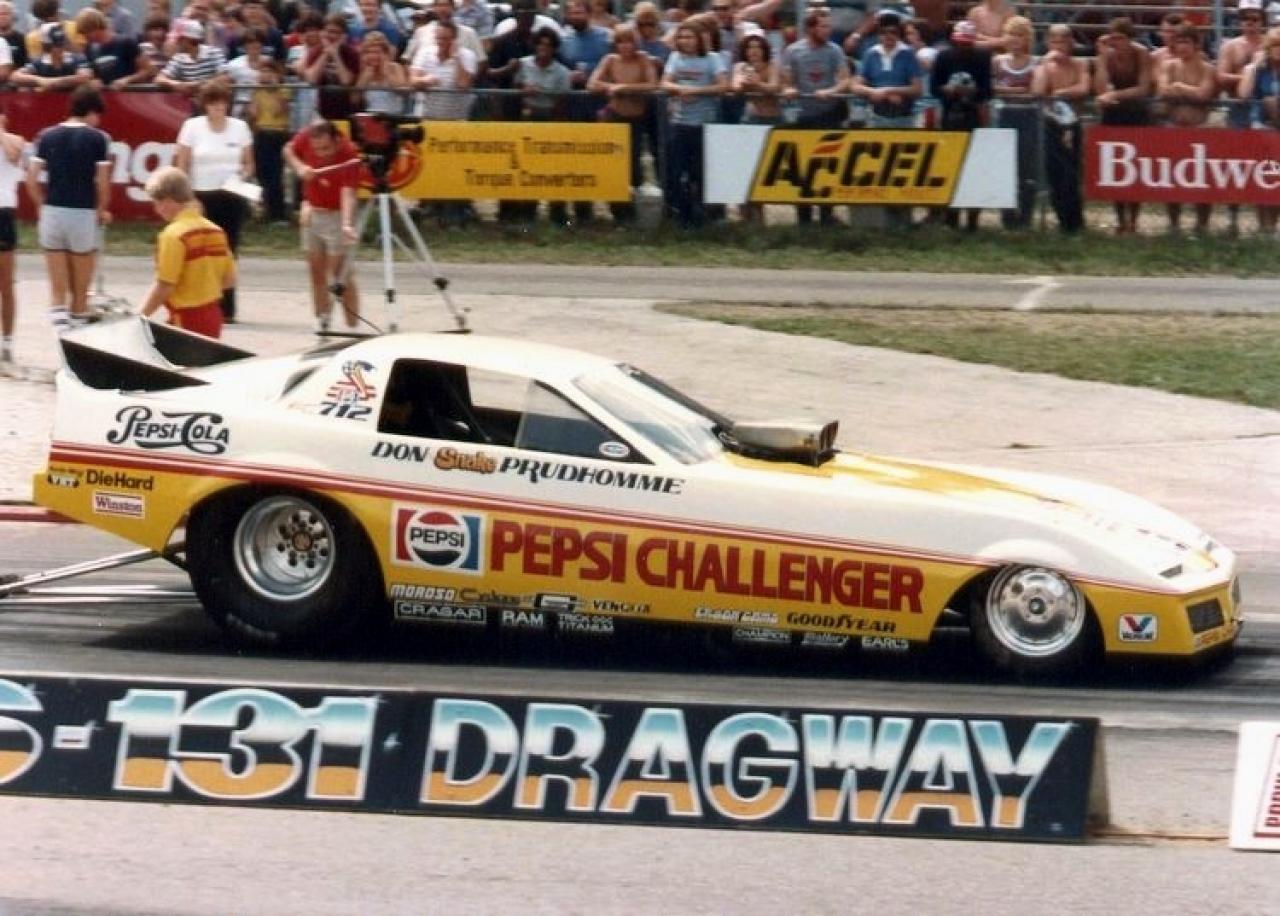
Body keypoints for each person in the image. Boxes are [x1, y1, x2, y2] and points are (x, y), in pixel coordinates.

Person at [25, 85, 111, 331]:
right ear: (91, 112)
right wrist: (101, 209)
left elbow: (31, 179)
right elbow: (102, 182)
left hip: (53, 211)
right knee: (80, 294)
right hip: (82, 213)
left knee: (57, 291)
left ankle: (60, 333)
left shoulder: (46, 136)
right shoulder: (98, 138)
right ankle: (77, 330)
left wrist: (41, 206)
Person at [175, 81, 253, 323]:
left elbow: (249, 164)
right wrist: (187, 196)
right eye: (213, 103)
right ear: (205, 105)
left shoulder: (240, 127)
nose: (218, 108)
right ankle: (202, 303)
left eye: (222, 103)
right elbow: (182, 163)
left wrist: (242, 176)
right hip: (201, 195)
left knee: (228, 250)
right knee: (202, 250)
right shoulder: (192, 127)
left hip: (231, 194)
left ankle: (227, 307)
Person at [138, 166, 235, 340]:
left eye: (156, 203)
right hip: (213, 314)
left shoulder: (173, 235)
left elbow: (165, 285)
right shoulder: (216, 231)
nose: (156, 209)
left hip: (186, 317)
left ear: (168, 201)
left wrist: (140, 315)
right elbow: (229, 280)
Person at [283, 120, 361, 332]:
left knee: (339, 272)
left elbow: (348, 192)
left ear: (336, 140)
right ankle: (322, 319)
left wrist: (347, 223)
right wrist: (299, 167)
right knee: (315, 269)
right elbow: (288, 150)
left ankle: (353, 324)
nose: (321, 154)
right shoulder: (306, 135)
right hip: (313, 209)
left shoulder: (349, 153)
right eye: (316, 149)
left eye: (326, 148)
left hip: (337, 214)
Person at [781, 8, 848, 226]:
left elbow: (844, 80)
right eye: (823, 26)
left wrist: (831, 91)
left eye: (829, 26)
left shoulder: (834, 50)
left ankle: (827, 214)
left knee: (827, 166)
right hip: (803, 116)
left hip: (828, 114)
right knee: (802, 167)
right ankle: (804, 217)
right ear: (810, 28)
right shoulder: (793, 51)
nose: (828, 30)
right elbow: (786, 80)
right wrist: (789, 89)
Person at [589, 24, 659, 224]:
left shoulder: (643, 59)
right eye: (620, 42)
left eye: (629, 41)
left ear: (635, 43)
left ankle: (635, 210)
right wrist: (611, 87)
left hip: (637, 119)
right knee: (615, 164)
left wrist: (625, 88)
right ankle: (617, 211)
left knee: (635, 164)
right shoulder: (610, 60)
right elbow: (592, 83)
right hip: (615, 117)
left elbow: (653, 84)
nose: (625, 46)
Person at [661, 22, 727, 229]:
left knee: (701, 173)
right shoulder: (675, 58)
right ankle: (683, 216)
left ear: (699, 39)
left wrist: (696, 91)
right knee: (676, 172)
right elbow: (665, 83)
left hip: (704, 124)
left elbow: (723, 85)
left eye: (689, 37)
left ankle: (706, 217)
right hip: (679, 123)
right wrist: (680, 89)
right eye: (682, 37)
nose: (685, 41)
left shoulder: (712, 59)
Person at [1156, 23, 1216, 234]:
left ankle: (1202, 225)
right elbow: (1163, 91)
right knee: (1172, 179)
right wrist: (1190, 93)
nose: (1182, 46)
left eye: (1186, 42)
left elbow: (1204, 94)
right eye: (1179, 42)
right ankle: (1174, 224)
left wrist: (1179, 87)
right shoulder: (1169, 66)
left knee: (1203, 179)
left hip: (1200, 129)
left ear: (1196, 44)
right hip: (1174, 128)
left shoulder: (1207, 68)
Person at [931, 20, 991, 230]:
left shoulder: (982, 57)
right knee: (950, 168)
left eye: (966, 44)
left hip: (973, 116)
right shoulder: (943, 57)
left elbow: (988, 90)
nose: (962, 48)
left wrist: (972, 93)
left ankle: (973, 220)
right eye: (959, 43)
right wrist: (946, 90)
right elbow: (934, 88)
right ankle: (951, 218)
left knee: (974, 169)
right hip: (949, 116)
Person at [1093, 17, 1150, 236]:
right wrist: (1101, 58)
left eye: (1121, 38)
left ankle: (1133, 220)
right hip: (1113, 113)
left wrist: (1115, 94)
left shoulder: (1141, 53)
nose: (1116, 43)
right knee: (1114, 167)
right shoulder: (1108, 56)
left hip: (1136, 112)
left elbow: (1143, 88)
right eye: (1113, 38)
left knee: (1135, 167)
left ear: (1130, 38)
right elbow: (1100, 88)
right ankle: (1119, 219)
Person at [1031, 24, 1088, 235]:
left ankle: (1076, 222)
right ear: (1048, 43)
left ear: (1071, 43)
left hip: (1072, 124)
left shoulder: (1079, 64)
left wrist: (1059, 92)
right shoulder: (1043, 65)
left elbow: (1083, 88)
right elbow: (1038, 90)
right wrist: (1046, 64)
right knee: (1054, 173)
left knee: (1071, 175)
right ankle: (1062, 220)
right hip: (1050, 123)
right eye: (1055, 41)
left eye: (1063, 41)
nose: (1059, 46)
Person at [1219, 0, 1268, 236]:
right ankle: (1232, 218)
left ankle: (1264, 223)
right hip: (1238, 109)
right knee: (1235, 166)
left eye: (1254, 19)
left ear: (1262, 21)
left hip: (1264, 111)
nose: (1250, 23)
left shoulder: (1270, 44)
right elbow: (1221, 76)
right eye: (1245, 19)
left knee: (1265, 166)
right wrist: (1248, 77)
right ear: (1239, 21)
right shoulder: (1231, 46)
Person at [991, 15, 1038, 230]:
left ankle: (1026, 216)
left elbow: (1034, 92)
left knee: (1026, 169)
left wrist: (1007, 91)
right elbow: (992, 89)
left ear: (1027, 38)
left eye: (1019, 35)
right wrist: (1019, 91)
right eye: (1011, 34)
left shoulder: (1035, 62)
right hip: (1005, 115)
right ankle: (1007, 217)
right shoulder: (998, 61)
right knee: (1005, 167)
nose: (1014, 39)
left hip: (1028, 116)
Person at [1241, 25, 1280, 234]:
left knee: (1277, 179)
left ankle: (1273, 225)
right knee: (1261, 176)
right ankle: (1262, 226)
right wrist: (1253, 67)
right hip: (1260, 127)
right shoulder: (1258, 69)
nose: (1278, 50)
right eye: (1275, 45)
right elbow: (1244, 94)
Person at [854, 14, 922, 129]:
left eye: (893, 32)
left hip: (904, 118)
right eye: (883, 32)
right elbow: (856, 86)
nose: (888, 36)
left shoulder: (908, 54)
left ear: (899, 34)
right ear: (878, 34)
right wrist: (873, 92)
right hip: (876, 117)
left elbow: (917, 89)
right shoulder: (871, 54)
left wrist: (887, 91)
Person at [247, 58, 290, 224]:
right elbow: (253, 115)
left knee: (275, 175)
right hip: (261, 134)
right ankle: (266, 209)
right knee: (261, 173)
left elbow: (280, 111)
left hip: (277, 134)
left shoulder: (284, 90)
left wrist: (275, 88)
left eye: (269, 71)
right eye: (263, 71)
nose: (265, 74)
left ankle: (278, 213)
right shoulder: (257, 92)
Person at [302, 14, 359, 122]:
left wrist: (335, 54)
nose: (332, 35)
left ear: (343, 35)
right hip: (322, 110)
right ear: (323, 32)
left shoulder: (352, 53)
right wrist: (326, 54)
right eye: (329, 31)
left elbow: (346, 81)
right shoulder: (316, 51)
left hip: (347, 111)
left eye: (336, 32)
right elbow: (312, 79)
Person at [0, 109, 23, 372]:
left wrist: (1, 133)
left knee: (6, 283)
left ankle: (7, 341)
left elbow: (14, 156)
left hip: (3, 212)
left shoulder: (15, 140)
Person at [12, 22, 92, 91]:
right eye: (54, 46)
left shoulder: (77, 59)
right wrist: (40, 80)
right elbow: (16, 76)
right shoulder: (39, 62)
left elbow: (84, 77)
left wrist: (52, 82)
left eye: (60, 44)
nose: (59, 49)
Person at [155, 17, 226, 95]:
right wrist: (177, 84)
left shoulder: (214, 53)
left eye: (180, 39)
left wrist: (198, 85)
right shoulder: (179, 58)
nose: (176, 42)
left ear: (190, 40)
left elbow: (224, 78)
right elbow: (159, 79)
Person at [75, 7, 140, 88]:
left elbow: (148, 70)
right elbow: (90, 72)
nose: (85, 37)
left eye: (86, 32)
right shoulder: (90, 48)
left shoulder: (126, 43)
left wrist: (127, 80)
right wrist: (91, 80)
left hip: (128, 94)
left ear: (95, 27)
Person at [355, 30, 408, 114]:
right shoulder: (365, 70)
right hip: (371, 116)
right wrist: (364, 79)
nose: (373, 56)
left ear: (385, 53)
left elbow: (404, 93)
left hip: (394, 116)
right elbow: (354, 100)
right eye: (369, 52)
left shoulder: (395, 67)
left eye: (377, 52)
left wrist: (387, 74)